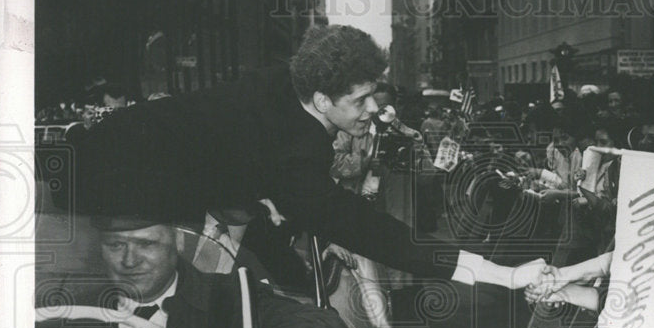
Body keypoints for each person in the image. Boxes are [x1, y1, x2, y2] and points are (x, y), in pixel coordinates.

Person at [74, 24, 545, 294]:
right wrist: (499, 274)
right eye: (360, 100)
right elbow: (373, 232)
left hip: (121, 160)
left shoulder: (287, 83)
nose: (374, 110)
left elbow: (250, 189)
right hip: (111, 184)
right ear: (321, 99)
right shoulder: (295, 153)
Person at [37, 218, 352, 328]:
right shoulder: (69, 309)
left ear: (178, 243)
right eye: (116, 245)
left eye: (147, 244)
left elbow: (325, 327)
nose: (129, 261)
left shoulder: (225, 296)